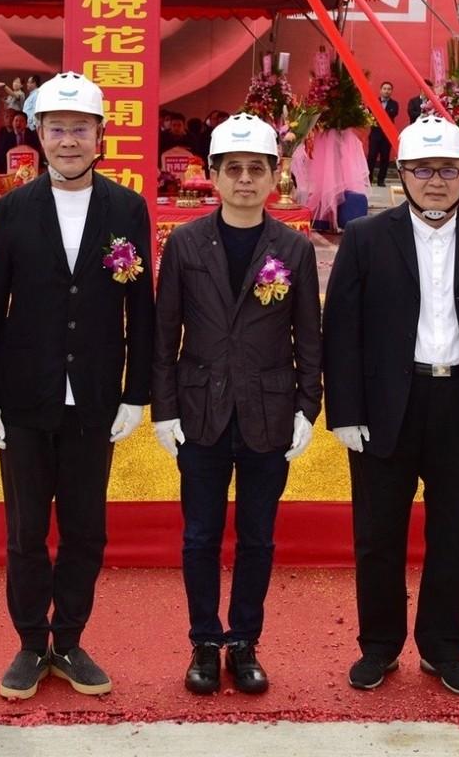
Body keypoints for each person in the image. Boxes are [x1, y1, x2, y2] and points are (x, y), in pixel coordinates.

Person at [323, 114, 459, 697]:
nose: (435, 181)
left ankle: (444, 650)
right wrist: (344, 410)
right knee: (377, 533)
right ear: (402, 175)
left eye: (447, 169)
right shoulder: (366, 238)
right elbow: (340, 329)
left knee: (454, 536)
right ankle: (379, 647)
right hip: (387, 405)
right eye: (422, 169)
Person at [0, 72, 154, 701]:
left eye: (81, 128)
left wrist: (137, 392)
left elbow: (144, 310)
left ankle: (71, 639)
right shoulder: (12, 210)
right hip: (25, 398)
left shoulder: (127, 209)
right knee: (25, 530)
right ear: (39, 135)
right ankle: (30, 644)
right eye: (57, 129)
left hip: (96, 400)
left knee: (85, 528)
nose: (69, 140)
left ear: (101, 136)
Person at [153, 113, 322, 696]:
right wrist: (164, 407)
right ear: (213, 176)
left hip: (268, 414)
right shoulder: (184, 243)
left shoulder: (293, 248)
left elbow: (310, 335)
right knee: (199, 535)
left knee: (258, 536)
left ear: (275, 175)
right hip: (199, 413)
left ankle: (244, 642)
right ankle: (204, 640)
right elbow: (163, 333)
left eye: (257, 169)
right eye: (233, 169)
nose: (245, 179)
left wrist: (307, 406)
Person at [367, 82, 399, 187]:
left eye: (389, 89)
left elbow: (392, 114)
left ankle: (381, 180)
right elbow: (370, 114)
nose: (386, 91)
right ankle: (369, 179)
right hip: (375, 134)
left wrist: (380, 113)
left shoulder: (394, 104)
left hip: (386, 135)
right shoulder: (373, 101)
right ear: (381, 90)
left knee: (385, 158)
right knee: (371, 157)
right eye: (384, 88)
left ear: (391, 91)